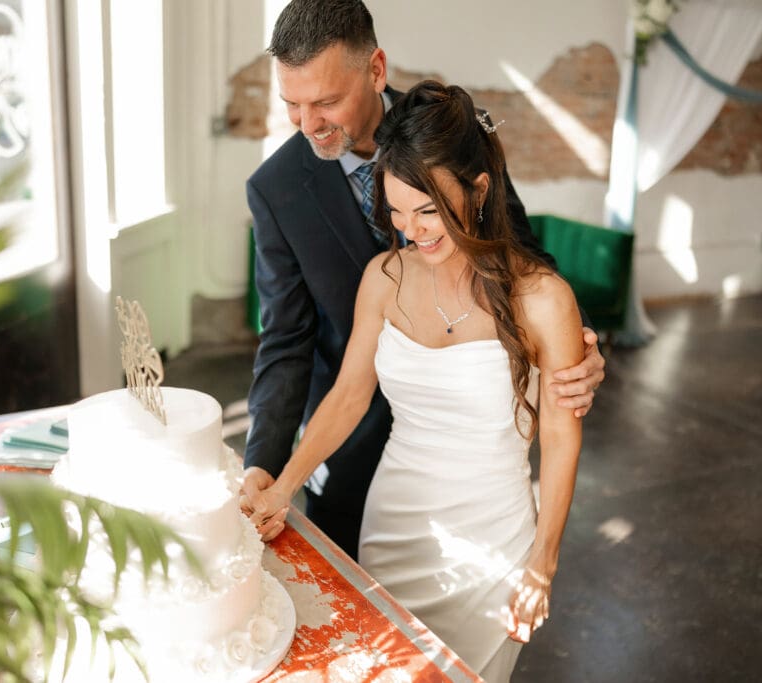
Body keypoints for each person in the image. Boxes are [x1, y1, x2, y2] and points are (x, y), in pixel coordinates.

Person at [247, 80, 583, 682]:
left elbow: (559, 438)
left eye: (429, 211)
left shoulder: (543, 299)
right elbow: (349, 394)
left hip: (493, 542)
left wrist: (543, 563)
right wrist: (284, 488)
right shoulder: (385, 277)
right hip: (394, 526)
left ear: (480, 190)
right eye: (398, 212)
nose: (412, 230)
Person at [243, 0, 603, 559]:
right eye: (292, 104)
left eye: (326, 102)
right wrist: (265, 465)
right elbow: (286, 339)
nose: (308, 124)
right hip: (347, 447)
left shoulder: (455, 134)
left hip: (474, 433)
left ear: (376, 69)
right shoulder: (277, 188)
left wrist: (574, 347)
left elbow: (521, 255)